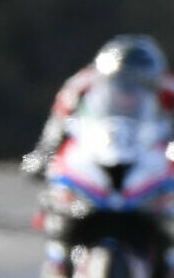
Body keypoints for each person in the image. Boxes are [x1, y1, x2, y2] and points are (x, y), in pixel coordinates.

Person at [23, 34, 174, 178]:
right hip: (97, 145)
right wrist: (47, 152)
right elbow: (60, 118)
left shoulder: (168, 88)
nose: (129, 90)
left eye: (140, 83)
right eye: (121, 81)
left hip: (150, 149)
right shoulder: (81, 85)